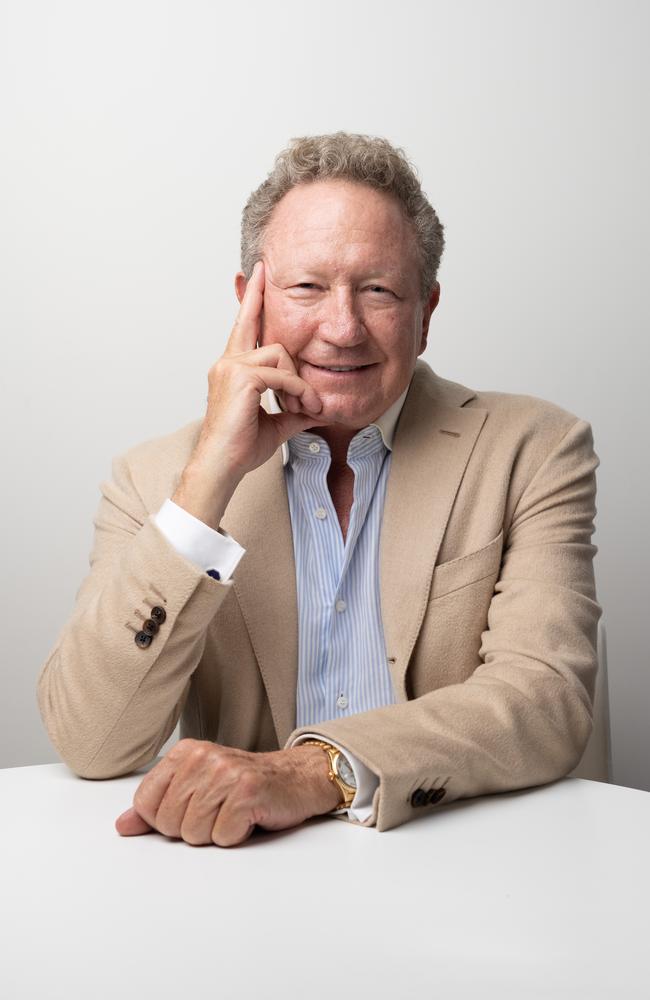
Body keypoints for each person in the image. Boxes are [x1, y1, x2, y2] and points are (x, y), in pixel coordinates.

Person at [37, 132, 602, 847]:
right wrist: (209, 477)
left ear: (425, 312)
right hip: (243, 873)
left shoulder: (534, 448)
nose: (342, 328)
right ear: (250, 302)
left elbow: (546, 698)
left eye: (378, 290)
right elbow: (93, 741)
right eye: (306, 288)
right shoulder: (155, 479)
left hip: (460, 860)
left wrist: (316, 771)